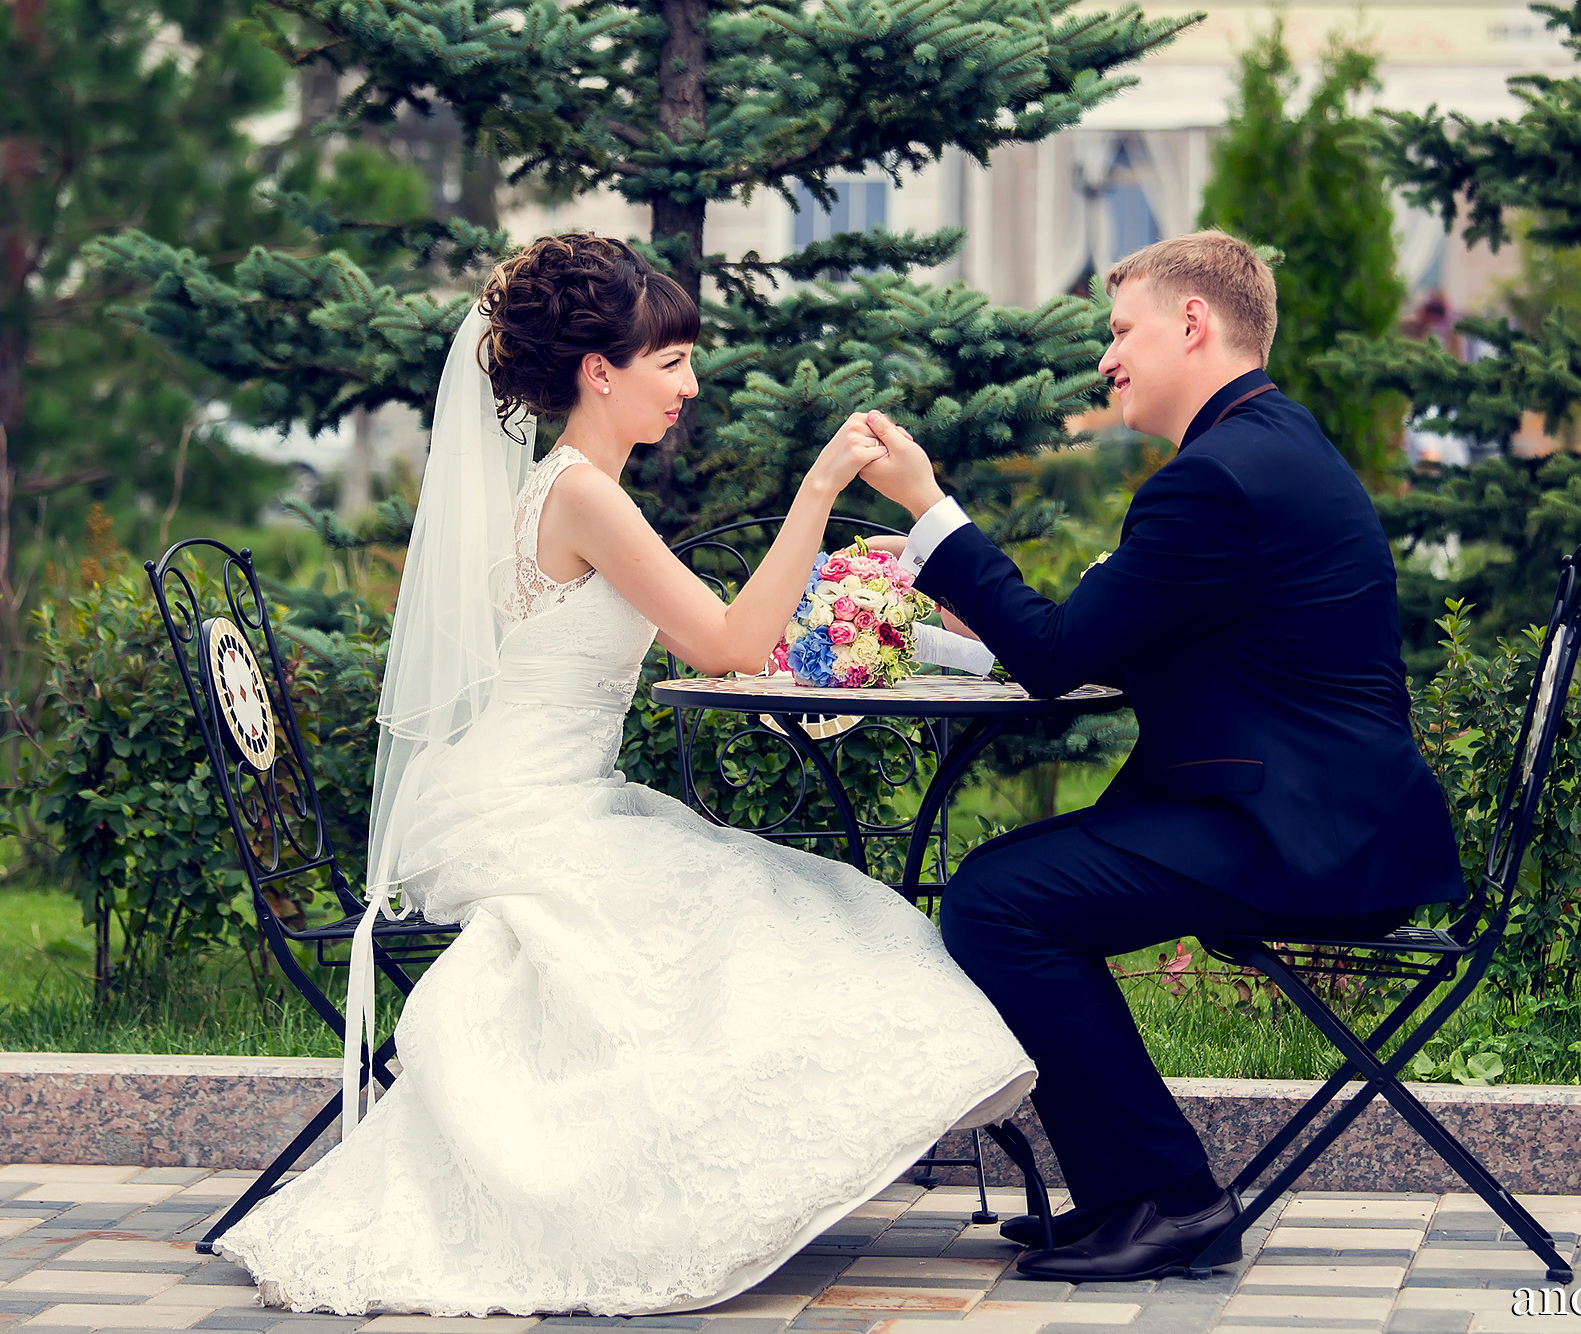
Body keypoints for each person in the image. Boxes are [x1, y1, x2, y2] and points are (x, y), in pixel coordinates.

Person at [213, 234, 1035, 1317]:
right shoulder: (584, 495)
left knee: (778, 903)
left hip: (527, 794)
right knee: (773, 911)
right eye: (672, 363)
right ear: (601, 372)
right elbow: (732, 643)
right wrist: (822, 485)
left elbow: (729, 632)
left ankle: (709, 1184)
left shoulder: (571, 487)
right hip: (517, 810)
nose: (690, 385)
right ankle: (662, 1201)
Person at [855, 230, 1466, 1283]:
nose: (1105, 358)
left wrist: (928, 507)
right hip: (1315, 813)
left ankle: (1171, 1198)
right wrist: (948, 631)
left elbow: (1055, 656)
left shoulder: (1216, 479)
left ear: (1192, 322)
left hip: (1303, 836)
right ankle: (1128, 1194)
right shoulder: (1264, 445)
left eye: (1119, 329)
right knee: (1012, 885)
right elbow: (1112, 648)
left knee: (999, 898)